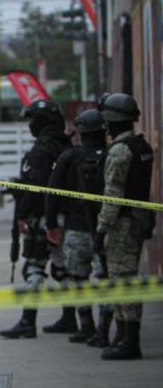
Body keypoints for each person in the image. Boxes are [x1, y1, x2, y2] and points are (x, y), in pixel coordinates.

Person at [0, 100, 72, 339]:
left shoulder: (41, 151)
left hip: (42, 218)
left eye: (33, 120)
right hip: (64, 217)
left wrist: (22, 215)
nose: (31, 125)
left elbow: (35, 188)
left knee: (34, 267)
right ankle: (70, 317)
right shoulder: (65, 145)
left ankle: (27, 321)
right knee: (63, 268)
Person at [94, 93, 154, 361]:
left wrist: (101, 228)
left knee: (123, 280)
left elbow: (113, 194)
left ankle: (130, 341)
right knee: (121, 277)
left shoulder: (120, 150)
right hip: (138, 219)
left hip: (122, 223)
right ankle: (122, 336)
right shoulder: (142, 146)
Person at [44, 109, 111, 344]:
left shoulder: (69, 157)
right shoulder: (112, 155)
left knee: (77, 279)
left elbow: (51, 193)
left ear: (80, 132)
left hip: (76, 230)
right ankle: (104, 330)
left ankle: (86, 327)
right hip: (108, 230)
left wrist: (51, 225)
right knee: (105, 280)